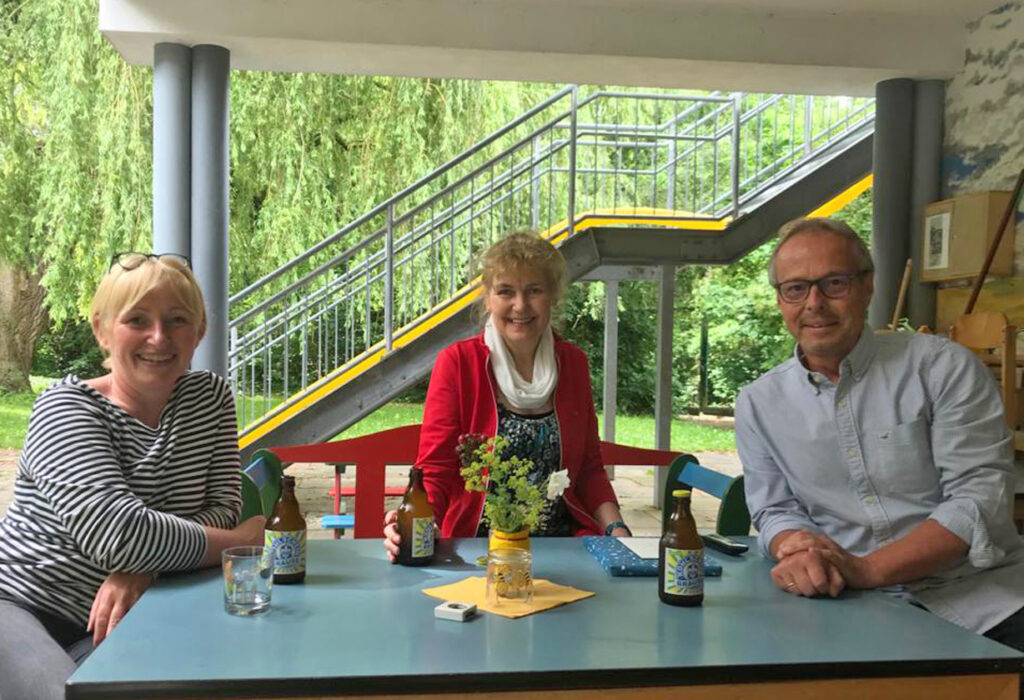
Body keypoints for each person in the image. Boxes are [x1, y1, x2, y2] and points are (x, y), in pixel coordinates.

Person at [735, 217, 1024, 650]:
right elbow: (775, 508)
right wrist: (798, 547)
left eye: (834, 283)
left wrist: (868, 569)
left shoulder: (941, 368)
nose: (814, 303)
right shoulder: (758, 403)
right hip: (846, 603)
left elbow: (977, 499)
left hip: (984, 599)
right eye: (795, 288)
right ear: (780, 300)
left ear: (867, 286)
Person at [0, 253, 266, 700]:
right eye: (137, 319)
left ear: (199, 331)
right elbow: (118, 537)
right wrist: (248, 540)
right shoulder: (65, 410)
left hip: (133, 608)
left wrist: (143, 569)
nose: (158, 337)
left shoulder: (210, 399)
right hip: (23, 604)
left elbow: (222, 508)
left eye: (177, 319)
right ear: (101, 330)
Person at [384, 232, 629, 560]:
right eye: (505, 292)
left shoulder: (572, 364)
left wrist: (618, 531)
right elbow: (436, 468)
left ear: (552, 297)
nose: (520, 306)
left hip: (563, 546)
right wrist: (421, 525)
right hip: (476, 548)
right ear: (488, 299)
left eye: (534, 291)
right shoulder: (458, 363)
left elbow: (588, 468)